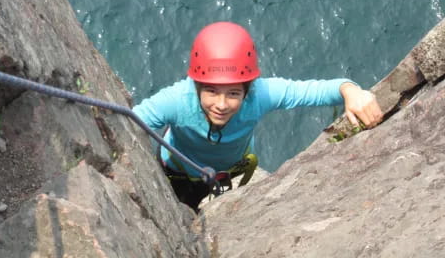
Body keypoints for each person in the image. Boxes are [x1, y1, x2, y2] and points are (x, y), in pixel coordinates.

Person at [133, 21, 383, 212]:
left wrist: (350, 90)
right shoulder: (177, 101)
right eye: (211, 91)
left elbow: (312, 91)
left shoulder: (260, 95)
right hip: (176, 170)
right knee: (183, 207)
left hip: (227, 171)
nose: (221, 105)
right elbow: (133, 120)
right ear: (197, 85)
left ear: (247, 89)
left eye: (233, 93)